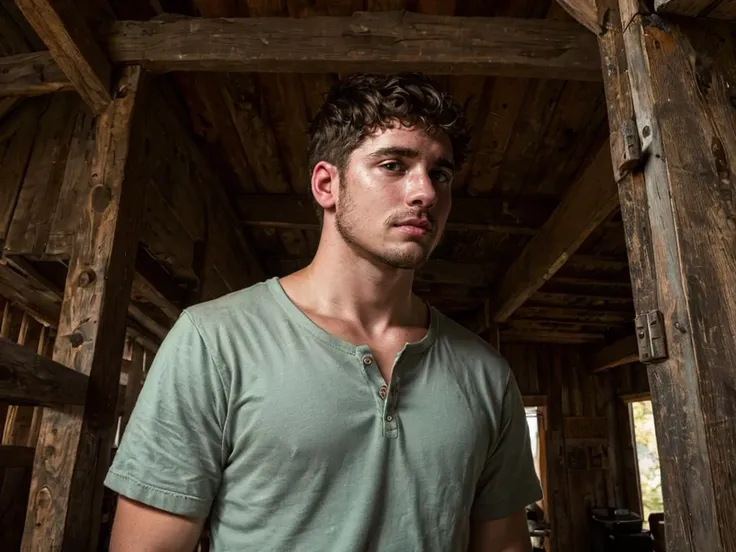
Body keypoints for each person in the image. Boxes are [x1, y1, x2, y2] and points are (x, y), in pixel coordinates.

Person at [105, 72, 542, 551]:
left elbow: (504, 546)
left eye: (440, 173)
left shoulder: (486, 374)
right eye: (394, 164)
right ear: (326, 184)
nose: (426, 193)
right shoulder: (213, 341)